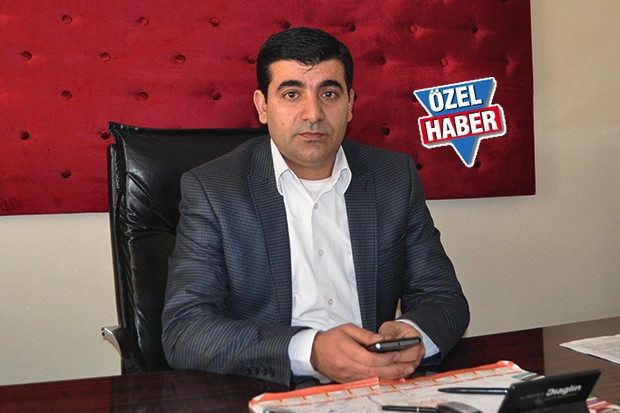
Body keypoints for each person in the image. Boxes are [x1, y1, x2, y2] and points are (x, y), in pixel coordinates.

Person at [161, 27, 469, 387]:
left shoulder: (394, 178)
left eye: (329, 93)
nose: (313, 113)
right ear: (262, 106)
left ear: (350, 104)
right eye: (292, 94)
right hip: (273, 388)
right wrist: (311, 352)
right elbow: (185, 330)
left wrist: (413, 334)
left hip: (377, 387)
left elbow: (443, 297)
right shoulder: (214, 189)